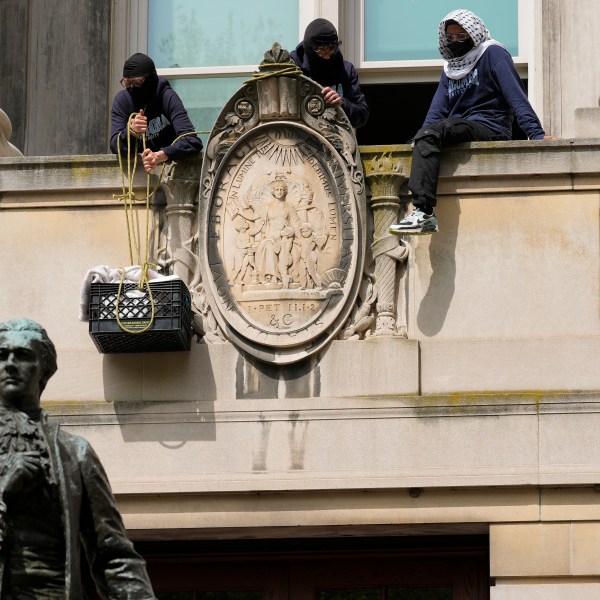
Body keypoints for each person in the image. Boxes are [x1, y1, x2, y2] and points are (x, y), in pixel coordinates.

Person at [0, 319, 156, 599]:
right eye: (2, 355)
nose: (10, 363)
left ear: (44, 369)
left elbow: (113, 555)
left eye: (23, 355)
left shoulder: (75, 452)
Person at [389, 9, 554, 235]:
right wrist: (421, 139)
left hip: (490, 127)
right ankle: (422, 210)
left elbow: (516, 96)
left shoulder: (493, 54)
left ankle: (424, 213)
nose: (455, 42)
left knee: (431, 134)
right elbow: (436, 112)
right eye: (451, 38)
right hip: (462, 126)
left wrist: (535, 134)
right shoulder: (451, 68)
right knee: (427, 134)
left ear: (473, 34)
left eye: (461, 37)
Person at [110, 52, 202, 174]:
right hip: (137, 176)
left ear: (150, 79)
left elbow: (191, 140)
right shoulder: (123, 100)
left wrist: (161, 155)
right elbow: (114, 145)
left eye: (137, 82)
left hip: (170, 171)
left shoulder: (167, 97)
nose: (132, 88)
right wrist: (131, 132)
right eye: (127, 83)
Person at [290, 18, 369, 129]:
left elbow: (362, 114)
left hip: (335, 140)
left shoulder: (346, 70)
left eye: (331, 50)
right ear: (310, 48)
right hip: (301, 138)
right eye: (322, 51)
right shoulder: (293, 68)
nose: (327, 56)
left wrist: (342, 103)